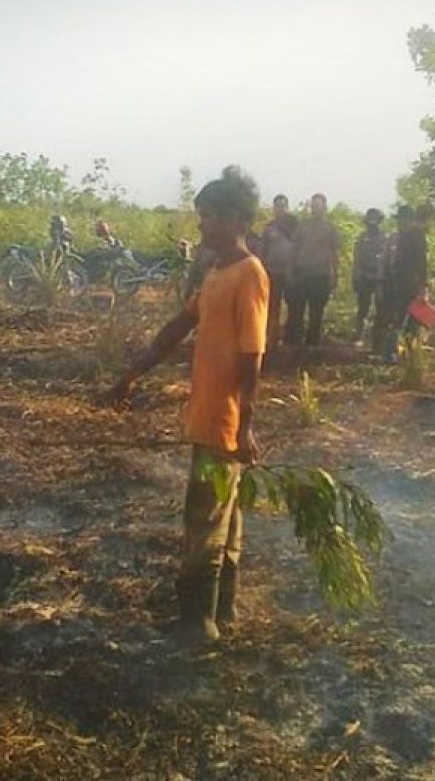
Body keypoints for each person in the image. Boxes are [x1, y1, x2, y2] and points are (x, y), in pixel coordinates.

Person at [109, 166, 268, 644]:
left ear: (236, 219)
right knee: (226, 518)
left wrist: (245, 427)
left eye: (209, 217)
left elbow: (252, 356)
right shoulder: (217, 273)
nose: (201, 225)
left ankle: (196, 625)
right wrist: (132, 373)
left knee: (204, 521)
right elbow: (179, 326)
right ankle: (222, 613)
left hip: (224, 422)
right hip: (208, 417)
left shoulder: (250, 274)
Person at [285, 193, 341, 347]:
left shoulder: (330, 228)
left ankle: (312, 344)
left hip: (321, 275)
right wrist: (289, 270)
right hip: (302, 273)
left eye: (319, 205)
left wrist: (336, 275)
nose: (315, 208)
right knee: (297, 311)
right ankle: (295, 343)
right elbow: (294, 249)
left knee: (316, 312)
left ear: (324, 207)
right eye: (313, 205)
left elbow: (335, 253)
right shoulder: (302, 226)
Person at [380, 205, 431, 363]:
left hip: (410, 284)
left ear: (410, 220)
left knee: (411, 321)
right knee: (396, 320)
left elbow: (422, 263)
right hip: (396, 285)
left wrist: (422, 286)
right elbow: (389, 262)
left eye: (404, 220)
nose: (401, 223)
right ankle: (394, 354)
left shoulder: (417, 237)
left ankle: (409, 353)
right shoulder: (397, 237)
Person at [260, 194, 298, 352]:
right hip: (272, 270)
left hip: (291, 270)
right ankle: (271, 337)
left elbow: (299, 247)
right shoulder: (269, 228)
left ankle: (290, 337)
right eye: (277, 206)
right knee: (272, 305)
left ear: (287, 207)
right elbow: (263, 249)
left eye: (283, 206)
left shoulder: (294, 226)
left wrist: (294, 267)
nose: (279, 209)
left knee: (293, 305)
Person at [352, 208, 387, 346]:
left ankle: (377, 341)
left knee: (380, 310)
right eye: (370, 220)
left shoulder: (385, 238)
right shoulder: (362, 238)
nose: (372, 223)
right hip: (364, 276)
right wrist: (355, 276)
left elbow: (386, 259)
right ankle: (359, 336)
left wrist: (384, 278)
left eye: (375, 220)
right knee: (363, 308)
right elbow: (357, 258)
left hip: (379, 277)